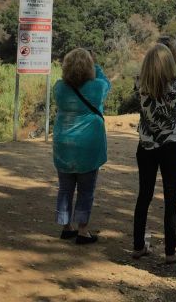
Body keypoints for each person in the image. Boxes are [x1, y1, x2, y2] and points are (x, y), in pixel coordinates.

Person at [132, 36, 176, 263]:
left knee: (144, 194)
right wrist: (173, 51)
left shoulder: (139, 84)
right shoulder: (174, 86)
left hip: (146, 145)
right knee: (171, 196)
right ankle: (170, 251)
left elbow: (148, 74)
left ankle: (138, 246)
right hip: (171, 146)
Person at [52, 48, 111, 245]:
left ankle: (65, 226)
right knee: (86, 190)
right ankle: (82, 230)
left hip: (64, 147)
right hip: (88, 148)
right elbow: (106, 83)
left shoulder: (59, 88)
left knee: (65, 188)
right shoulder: (96, 88)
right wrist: (95, 66)